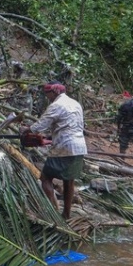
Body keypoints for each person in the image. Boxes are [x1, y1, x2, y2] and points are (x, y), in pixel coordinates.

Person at [22, 82, 87, 219]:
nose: (47, 97)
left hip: (64, 146)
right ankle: (66, 214)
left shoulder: (56, 105)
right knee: (69, 181)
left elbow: (41, 124)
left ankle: (53, 213)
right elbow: (70, 125)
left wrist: (27, 130)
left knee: (45, 177)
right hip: (79, 146)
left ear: (54, 92)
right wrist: (51, 136)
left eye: (48, 94)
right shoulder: (75, 103)